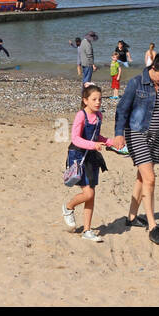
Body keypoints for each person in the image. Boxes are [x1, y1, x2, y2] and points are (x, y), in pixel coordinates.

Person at [110, 53, 159, 247]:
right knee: (150, 178)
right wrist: (118, 134)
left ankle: (132, 217)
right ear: (153, 69)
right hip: (137, 133)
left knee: (142, 177)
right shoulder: (136, 83)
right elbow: (122, 109)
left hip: (156, 137)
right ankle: (152, 226)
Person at [63, 84, 112, 242]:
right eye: (94, 99)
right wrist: (94, 145)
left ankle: (87, 230)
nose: (98, 102)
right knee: (88, 193)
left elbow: (97, 137)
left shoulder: (99, 116)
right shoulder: (81, 115)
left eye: (100, 99)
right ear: (85, 101)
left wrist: (111, 142)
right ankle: (69, 207)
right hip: (77, 156)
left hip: (91, 157)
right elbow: (75, 139)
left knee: (91, 195)